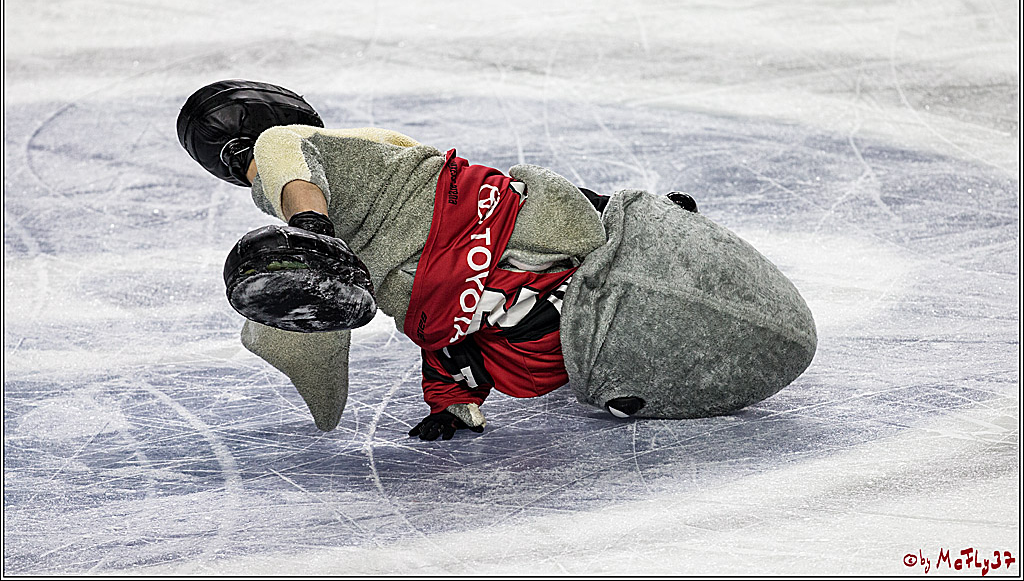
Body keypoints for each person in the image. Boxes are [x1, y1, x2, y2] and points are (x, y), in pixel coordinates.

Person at [178, 80, 816, 441]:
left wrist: (311, 229)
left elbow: (297, 178)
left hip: (442, 274)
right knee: (551, 214)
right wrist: (313, 233)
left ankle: (487, 374)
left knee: (465, 321)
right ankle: (631, 229)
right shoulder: (318, 142)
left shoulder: (288, 148)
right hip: (479, 221)